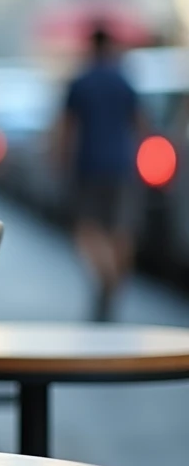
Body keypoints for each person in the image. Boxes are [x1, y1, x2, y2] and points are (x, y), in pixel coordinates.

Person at [56, 24, 144, 322]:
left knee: (87, 230)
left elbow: (67, 128)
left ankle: (106, 278)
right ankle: (112, 288)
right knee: (120, 231)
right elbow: (141, 124)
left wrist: (61, 161)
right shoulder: (123, 80)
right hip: (122, 167)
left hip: (89, 166)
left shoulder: (80, 82)